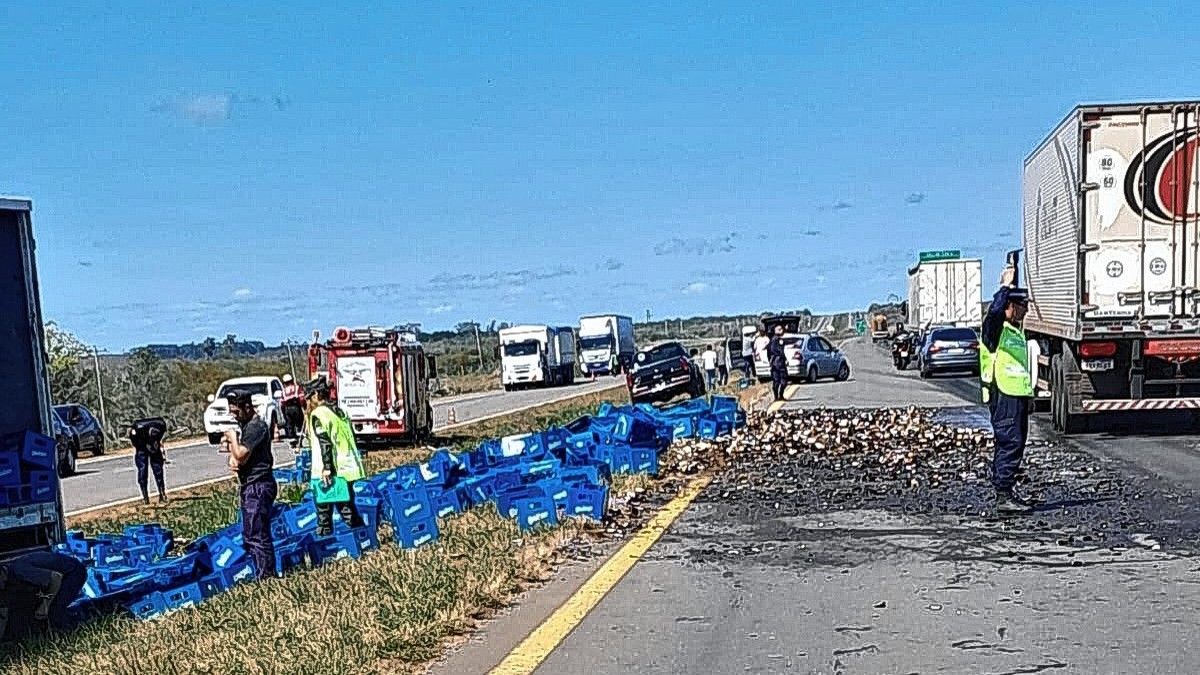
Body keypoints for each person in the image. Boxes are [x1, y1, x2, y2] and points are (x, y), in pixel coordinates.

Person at [981, 266, 1034, 513]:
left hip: (1016, 394)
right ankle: (1003, 494)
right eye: (1022, 305)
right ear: (1009, 307)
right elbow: (993, 312)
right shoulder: (995, 330)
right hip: (1002, 394)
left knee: (1017, 441)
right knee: (1009, 442)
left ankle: (1007, 488)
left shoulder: (1015, 331)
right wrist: (1005, 286)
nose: (1025, 310)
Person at [221, 389, 277, 580]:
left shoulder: (256, 427)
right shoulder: (246, 427)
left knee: (257, 533)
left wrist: (232, 438)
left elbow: (242, 455)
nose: (234, 417)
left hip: (259, 485)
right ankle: (260, 570)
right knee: (250, 533)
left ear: (247, 407)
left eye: (236, 412)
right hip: (250, 485)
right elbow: (236, 460)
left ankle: (266, 575)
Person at [304, 378, 367, 537]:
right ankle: (363, 538)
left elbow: (325, 443)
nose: (308, 402)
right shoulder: (339, 411)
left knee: (325, 512)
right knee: (347, 506)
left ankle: (328, 544)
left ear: (317, 394)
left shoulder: (319, 414)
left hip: (330, 470)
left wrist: (327, 469)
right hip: (349, 467)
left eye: (310, 397)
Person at [0, 549, 87, 637]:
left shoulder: (20, 570)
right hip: (67, 571)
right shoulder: (14, 569)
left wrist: (45, 605)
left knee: (55, 610)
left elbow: (56, 577)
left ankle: (74, 631)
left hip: (73, 572)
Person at [129, 417, 168, 504]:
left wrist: (157, 444)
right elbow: (133, 439)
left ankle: (162, 494)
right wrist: (140, 446)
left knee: (158, 468)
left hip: (154, 446)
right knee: (142, 470)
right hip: (141, 446)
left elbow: (160, 439)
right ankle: (145, 497)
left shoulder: (160, 426)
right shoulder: (137, 430)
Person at [280, 373, 305, 445]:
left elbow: (282, 403)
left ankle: (292, 442)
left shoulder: (283, 391)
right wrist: (303, 406)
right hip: (296, 407)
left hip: (287, 409)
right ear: (292, 380)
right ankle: (300, 440)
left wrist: (284, 413)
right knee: (299, 424)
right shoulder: (297, 388)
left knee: (290, 425)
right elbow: (301, 398)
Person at [767, 325, 789, 401]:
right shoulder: (775, 340)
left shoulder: (773, 340)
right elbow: (777, 352)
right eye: (779, 329)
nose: (781, 330)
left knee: (780, 380)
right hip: (777, 363)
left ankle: (778, 396)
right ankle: (778, 396)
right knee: (780, 380)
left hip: (777, 363)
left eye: (781, 329)